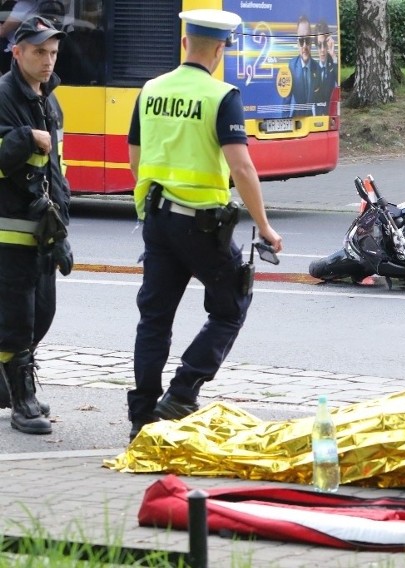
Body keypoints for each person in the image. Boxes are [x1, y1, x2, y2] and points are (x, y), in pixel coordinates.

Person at [126, 9, 283, 441]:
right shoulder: (221, 96)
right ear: (219, 50)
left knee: (154, 319)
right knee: (231, 305)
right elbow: (243, 168)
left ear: (184, 44)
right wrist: (266, 227)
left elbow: (135, 156)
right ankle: (182, 392)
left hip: (155, 220)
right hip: (200, 225)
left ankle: (141, 415)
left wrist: (147, 208)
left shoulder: (151, 89)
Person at [0, 15, 73, 434]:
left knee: (42, 314)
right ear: (18, 52)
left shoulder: (50, 98)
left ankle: (8, 386)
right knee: (17, 321)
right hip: (8, 230)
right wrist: (26, 137)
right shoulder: (3, 95)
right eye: (39, 52)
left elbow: (56, 170)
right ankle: (22, 401)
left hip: (43, 230)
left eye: (53, 53)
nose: (48, 61)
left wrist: (62, 228)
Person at [287, 15, 319, 117]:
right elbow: (286, 101)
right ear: (297, 43)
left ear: (312, 43)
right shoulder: (291, 67)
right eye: (301, 41)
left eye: (307, 40)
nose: (304, 46)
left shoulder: (318, 68)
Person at [313, 19, 337, 114]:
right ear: (315, 46)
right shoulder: (312, 69)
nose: (322, 49)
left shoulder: (333, 63)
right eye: (319, 45)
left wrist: (333, 55)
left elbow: (338, 79)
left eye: (324, 45)